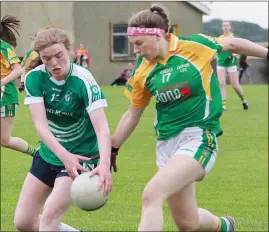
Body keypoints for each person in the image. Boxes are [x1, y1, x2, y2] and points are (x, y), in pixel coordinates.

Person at [109, 5, 269, 232]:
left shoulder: (194, 46)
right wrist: (113, 147)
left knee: (151, 195)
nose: (135, 50)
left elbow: (231, 44)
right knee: (188, 223)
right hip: (166, 145)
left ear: (159, 34)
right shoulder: (143, 70)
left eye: (138, 43)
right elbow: (133, 112)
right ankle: (224, 226)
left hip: (199, 137)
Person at [14, 28, 112, 232]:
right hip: (50, 154)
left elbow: (102, 127)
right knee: (23, 223)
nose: (54, 63)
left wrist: (104, 164)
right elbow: (40, 126)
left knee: (48, 221)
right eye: (46, 58)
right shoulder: (34, 78)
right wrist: (63, 155)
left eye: (58, 55)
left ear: (69, 50)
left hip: (82, 158)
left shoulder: (83, 80)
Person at [0, 14, 36, 157]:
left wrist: (1, 82)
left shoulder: (3, 47)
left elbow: (18, 70)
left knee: (5, 140)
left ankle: (38, 155)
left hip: (6, 97)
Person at [216, 21, 248, 111]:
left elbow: (240, 50)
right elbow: (217, 50)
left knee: (235, 85)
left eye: (227, 25)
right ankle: (223, 105)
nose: (225, 27)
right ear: (222, 28)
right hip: (221, 63)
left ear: (230, 27)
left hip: (231, 64)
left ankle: (244, 100)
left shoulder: (234, 38)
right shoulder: (219, 38)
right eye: (224, 25)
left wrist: (235, 55)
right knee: (221, 84)